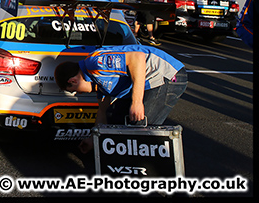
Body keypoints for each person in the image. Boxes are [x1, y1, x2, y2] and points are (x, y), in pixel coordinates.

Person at [54, 44, 187, 153]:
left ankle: (142, 173)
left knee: (140, 127)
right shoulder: (98, 82)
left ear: (73, 81)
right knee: (116, 121)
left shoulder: (95, 62)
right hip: (150, 81)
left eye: (75, 91)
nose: (78, 94)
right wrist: (93, 139)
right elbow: (102, 111)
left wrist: (136, 102)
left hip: (165, 75)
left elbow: (137, 58)